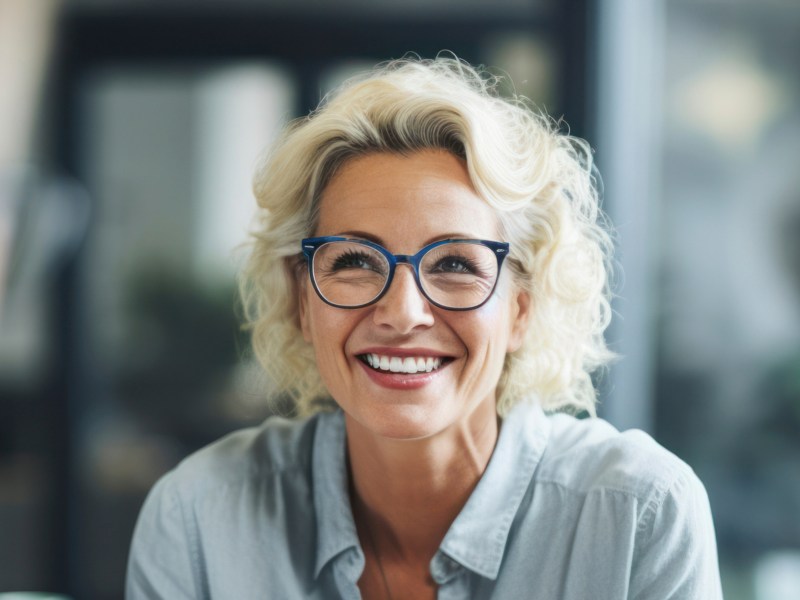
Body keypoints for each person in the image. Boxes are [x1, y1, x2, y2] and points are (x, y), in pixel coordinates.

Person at [126, 56, 722, 599]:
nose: (403, 312)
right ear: (302, 298)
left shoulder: (640, 516)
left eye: (457, 264)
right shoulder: (197, 518)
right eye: (356, 261)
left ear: (522, 307)